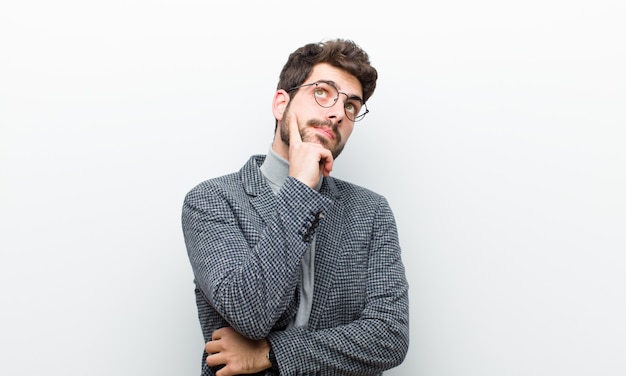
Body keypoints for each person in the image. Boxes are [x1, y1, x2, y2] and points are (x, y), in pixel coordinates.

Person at [182, 38, 409, 376]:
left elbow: (389, 337)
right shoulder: (212, 200)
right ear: (280, 104)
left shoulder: (371, 211)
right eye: (323, 92)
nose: (336, 113)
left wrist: (271, 352)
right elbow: (250, 312)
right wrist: (300, 187)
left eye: (351, 106)